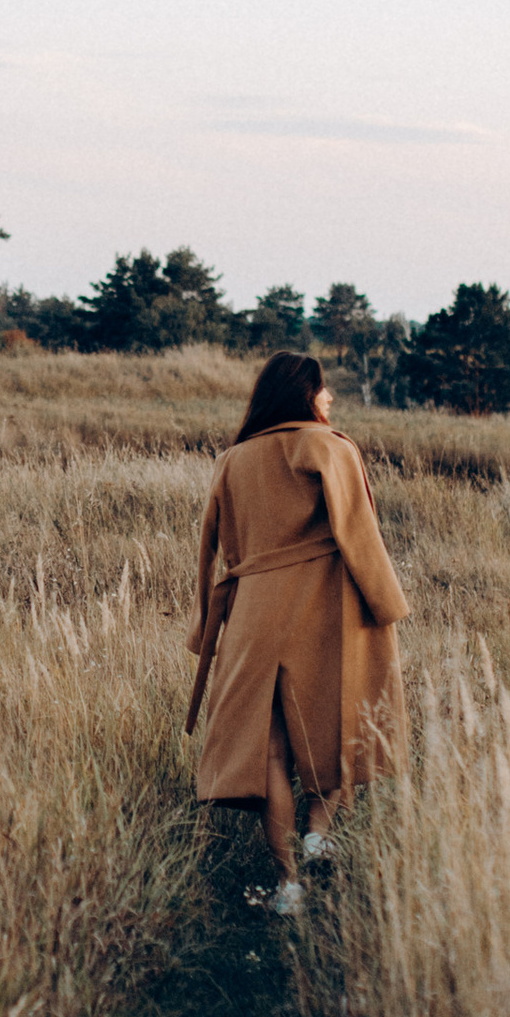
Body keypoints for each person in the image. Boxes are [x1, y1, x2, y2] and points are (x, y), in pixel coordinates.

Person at [186, 348, 409, 910]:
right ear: (303, 393)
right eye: (323, 388)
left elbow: (213, 548)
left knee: (270, 752)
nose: (329, 397)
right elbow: (358, 532)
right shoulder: (325, 446)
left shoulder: (231, 459)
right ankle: (317, 832)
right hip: (321, 602)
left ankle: (288, 885)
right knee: (337, 723)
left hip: (254, 613)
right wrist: (386, 605)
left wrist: (204, 627)